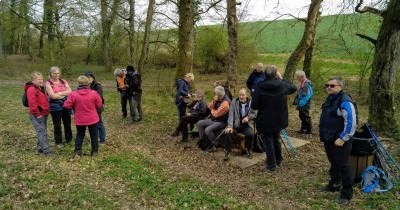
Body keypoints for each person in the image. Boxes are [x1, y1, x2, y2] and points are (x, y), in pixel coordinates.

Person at [251, 65, 297, 172]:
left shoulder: (259, 86)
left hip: (265, 119)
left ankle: (271, 165)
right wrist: (282, 79)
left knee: (269, 141)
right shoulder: (282, 85)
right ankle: (278, 160)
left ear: (264, 74)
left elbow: (254, 105)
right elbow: (293, 88)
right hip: (279, 119)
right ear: (276, 74)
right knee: (276, 138)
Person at [319, 76, 357, 205]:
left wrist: (343, 138)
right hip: (329, 138)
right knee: (334, 163)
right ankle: (334, 184)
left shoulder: (345, 101)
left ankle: (347, 193)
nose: (328, 87)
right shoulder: (331, 98)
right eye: (327, 85)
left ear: (340, 87)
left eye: (332, 85)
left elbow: (351, 122)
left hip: (339, 140)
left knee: (343, 166)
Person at [63, 76, 103, 157]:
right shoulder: (94, 93)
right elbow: (99, 104)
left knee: (80, 134)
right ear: (88, 83)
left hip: (80, 118)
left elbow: (67, 105)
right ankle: (94, 152)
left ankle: (78, 151)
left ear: (78, 83)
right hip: (92, 118)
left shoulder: (73, 95)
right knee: (94, 135)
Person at [224, 88, 256, 159]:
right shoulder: (234, 102)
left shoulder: (251, 103)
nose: (241, 97)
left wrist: (248, 117)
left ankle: (249, 150)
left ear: (246, 95)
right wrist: (229, 126)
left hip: (246, 125)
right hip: (236, 124)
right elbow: (231, 115)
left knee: (250, 134)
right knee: (227, 132)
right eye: (240, 95)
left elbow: (254, 113)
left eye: (243, 95)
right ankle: (227, 152)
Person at [45, 66, 72, 146]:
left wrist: (59, 94)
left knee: (67, 123)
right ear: (51, 74)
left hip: (66, 105)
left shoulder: (63, 81)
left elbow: (70, 91)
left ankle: (69, 139)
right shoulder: (48, 83)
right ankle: (58, 142)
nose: (56, 75)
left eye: (58, 73)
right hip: (55, 106)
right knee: (57, 124)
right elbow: (52, 96)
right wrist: (64, 93)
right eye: (54, 73)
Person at [197, 86, 230, 151]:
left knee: (208, 129)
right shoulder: (217, 98)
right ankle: (203, 141)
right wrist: (214, 101)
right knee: (200, 123)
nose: (215, 95)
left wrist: (212, 110)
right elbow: (210, 107)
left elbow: (216, 114)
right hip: (214, 119)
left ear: (219, 95)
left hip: (222, 122)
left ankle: (215, 144)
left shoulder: (225, 103)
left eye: (216, 94)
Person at [25, 72, 51, 155]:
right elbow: (32, 104)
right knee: (42, 132)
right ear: (33, 80)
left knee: (42, 131)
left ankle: (40, 147)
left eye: (41, 79)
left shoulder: (39, 88)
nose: (41, 81)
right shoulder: (31, 89)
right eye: (38, 79)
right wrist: (38, 114)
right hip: (37, 114)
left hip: (43, 113)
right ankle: (46, 151)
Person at [84, 71, 106, 144]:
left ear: (93, 78)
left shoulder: (97, 86)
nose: (88, 79)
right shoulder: (85, 86)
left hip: (97, 107)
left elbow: (98, 97)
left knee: (99, 123)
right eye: (86, 78)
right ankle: (95, 138)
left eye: (89, 77)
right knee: (92, 124)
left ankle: (102, 139)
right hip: (88, 108)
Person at [294, 70, 313, 134]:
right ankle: (303, 128)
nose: (297, 79)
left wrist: (301, 103)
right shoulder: (303, 83)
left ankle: (309, 130)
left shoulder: (306, 84)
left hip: (305, 103)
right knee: (301, 115)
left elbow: (306, 96)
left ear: (301, 77)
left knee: (305, 116)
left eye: (297, 77)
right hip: (302, 102)